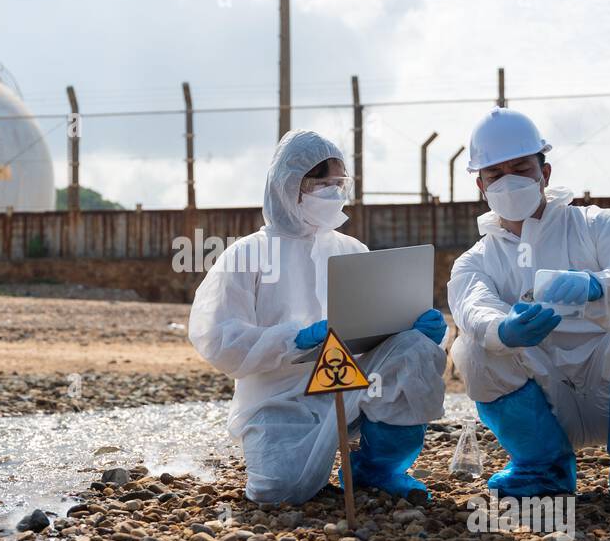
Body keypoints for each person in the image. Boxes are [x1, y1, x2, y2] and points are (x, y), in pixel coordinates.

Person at [446, 108, 610, 513]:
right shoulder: (475, 260)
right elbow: (473, 306)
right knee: (472, 349)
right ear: (480, 185)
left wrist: (597, 286)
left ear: (545, 172)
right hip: (542, 398)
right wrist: (502, 329)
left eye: (521, 167)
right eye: (495, 174)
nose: (510, 180)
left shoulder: (601, 225)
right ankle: (542, 468)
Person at [189, 129, 448, 505]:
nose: (331, 192)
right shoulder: (247, 255)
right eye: (319, 183)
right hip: (280, 397)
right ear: (287, 184)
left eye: (337, 182)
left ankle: (376, 470)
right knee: (277, 491)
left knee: (412, 349)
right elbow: (217, 338)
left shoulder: (351, 249)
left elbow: (375, 322)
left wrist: (410, 326)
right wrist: (293, 339)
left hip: (350, 382)